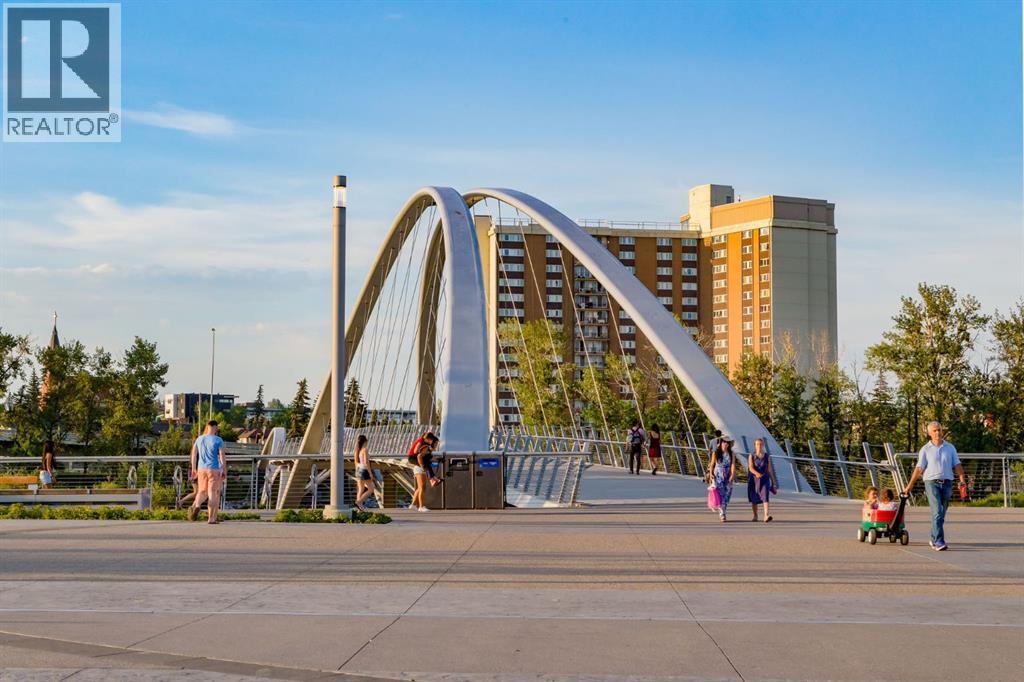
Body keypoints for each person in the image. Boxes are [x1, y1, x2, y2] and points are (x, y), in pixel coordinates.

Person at [903, 421, 966, 551]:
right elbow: (919, 468)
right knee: (937, 511)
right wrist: (909, 486)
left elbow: (957, 465)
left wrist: (962, 480)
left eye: (939, 430)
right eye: (935, 431)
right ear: (929, 433)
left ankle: (933, 537)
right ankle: (939, 541)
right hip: (931, 483)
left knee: (941, 514)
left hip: (947, 482)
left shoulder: (950, 448)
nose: (938, 433)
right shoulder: (925, 449)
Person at [188, 421, 226, 524]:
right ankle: (211, 518)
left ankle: (197, 505)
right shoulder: (218, 440)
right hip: (213, 468)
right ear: (215, 427)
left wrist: (194, 468)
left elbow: (194, 454)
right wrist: (223, 468)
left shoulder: (199, 439)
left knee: (201, 491)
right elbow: (221, 455)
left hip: (201, 468)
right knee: (212, 493)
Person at [747, 437, 778, 522]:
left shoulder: (767, 456)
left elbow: (769, 470)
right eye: (757, 444)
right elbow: (750, 468)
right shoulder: (751, 455)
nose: (759, 446)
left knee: (765, 496)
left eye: (760, 444)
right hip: (754, 479)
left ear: (763, 445)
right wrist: (756, 473)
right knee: (754, 498)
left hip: (764, 479)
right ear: (755, 445)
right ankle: (755, 515)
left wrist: (774, 482)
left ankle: (766, 516)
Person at [707, 435, 737, 522]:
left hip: (727, 475)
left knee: (727, 495)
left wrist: (732, 475)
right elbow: (712, 464)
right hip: (718, 475)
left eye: (727, 442)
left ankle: (723, 511)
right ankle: (722, 514)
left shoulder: (731, 453)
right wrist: (711, 474)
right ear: (721, 443)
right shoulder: (716, 452)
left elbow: (733, 465)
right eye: (724, 442)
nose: (725, 444)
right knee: (721, 495)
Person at [408, 432, 439, 512]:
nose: (436, 445)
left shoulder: (427, 447)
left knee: (420, 487)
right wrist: (422, 466)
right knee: (422, 487)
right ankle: (421, 506)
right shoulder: (425, 446)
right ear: (431, 440)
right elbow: (418, 455)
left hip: (419, 466)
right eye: (436, 443)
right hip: (419, 467)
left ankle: (413, 505)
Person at [354, 434, 375, 511]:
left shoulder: (357, 450)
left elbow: (356, 463)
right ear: (365, 441)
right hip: (364, 471)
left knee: (361, 489)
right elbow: (366, 462)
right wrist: (370, 473)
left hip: (358, 470)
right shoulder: (365, 450)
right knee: (371, 489)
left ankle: (359, 507)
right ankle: (359, 502)